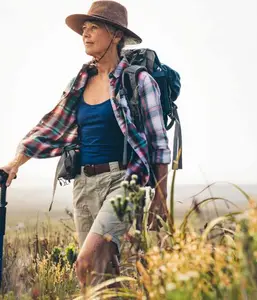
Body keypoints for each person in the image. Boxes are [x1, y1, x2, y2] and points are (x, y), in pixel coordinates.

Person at [0, 0, 171, 287]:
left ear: (116, 35)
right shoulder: (79, 81)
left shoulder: (139, 81)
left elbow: (159, 142)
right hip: (83, 184)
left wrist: (161, 198)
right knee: (100, 279)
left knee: (85, 264)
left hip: (124, 183)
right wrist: (15, 163)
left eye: (94, 28)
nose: (86, 34)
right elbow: (51, 125)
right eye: (84, 29)